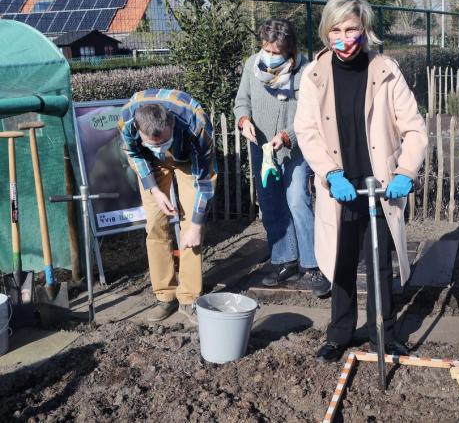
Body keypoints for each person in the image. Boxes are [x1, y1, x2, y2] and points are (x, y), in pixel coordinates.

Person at [294, 0, 428, 362]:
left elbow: (414, 129)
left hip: (380, 188)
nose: (343, 36)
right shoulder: (315, 75)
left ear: (364, 29)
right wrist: (331, 173)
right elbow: (306, 131)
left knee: (380, 263)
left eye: (351, 28)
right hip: (340, 188)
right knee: (341, 262)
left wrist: (405, 171)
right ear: (325, 32)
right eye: (335, 29)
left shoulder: (385, 71)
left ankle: (382, 333)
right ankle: (338, 334)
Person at [234, 18, 330, 297]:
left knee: (297, 200)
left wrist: (288, 136)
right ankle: (284, 259)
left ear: (290, 49)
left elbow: (312, 114)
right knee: (271, 204)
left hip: (295, 149)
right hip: (262, 148)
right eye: (267, 49)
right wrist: (243, 120)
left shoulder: (307, 71)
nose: (271, 56)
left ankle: (313, 265)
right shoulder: (253, 65)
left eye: (277, 52)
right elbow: (242, 100)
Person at [118, 89, 216, 324]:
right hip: (150, 163)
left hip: (187, 160)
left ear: (171, 122)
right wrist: (154, 189)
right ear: (139, 130)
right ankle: (165, 295)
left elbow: (205, 181)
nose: (161, 148)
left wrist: (196, 225)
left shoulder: (197, 126)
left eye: (164, 141)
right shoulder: (127, 121)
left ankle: (189, 297)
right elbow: (134, 152)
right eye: (153, 143)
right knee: (154, 224)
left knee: (191, 230)